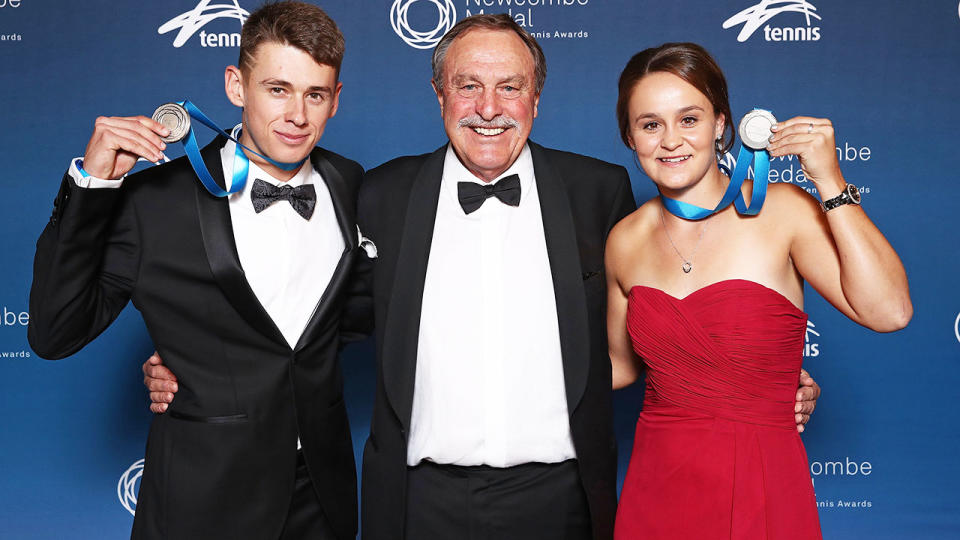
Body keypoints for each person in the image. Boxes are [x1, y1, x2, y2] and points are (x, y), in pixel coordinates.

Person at [145, 16, 822, 539]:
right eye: (468, 84)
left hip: (563, 501)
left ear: (537, 96)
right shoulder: (377, 193)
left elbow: (661, 307)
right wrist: (205, 358)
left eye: (510, 86)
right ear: (440, 93)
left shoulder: (599, 193)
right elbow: (314, 317)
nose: (489, 106)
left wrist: (757, 372)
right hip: (417, 504)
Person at [27, 3, 367, 539]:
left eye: (315, 94)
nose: (298, 115)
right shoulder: (153, 201)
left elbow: (348, 318)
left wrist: (213, 355)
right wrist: (92, 187)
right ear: (236, 85)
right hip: (203, 500)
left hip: (321, 498)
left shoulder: (350, 184)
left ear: (335, 100)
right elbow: (54, 332)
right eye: (277, 89)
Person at [606, 42, 911, 539]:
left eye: (689, 119)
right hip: (656, 486)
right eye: (650, 124)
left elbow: (890, 311)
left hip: (761, 482)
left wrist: (829, 180)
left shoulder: (783, 210)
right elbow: (616, 368)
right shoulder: (624, 239)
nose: (670, 141)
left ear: (721, 123)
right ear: (630, 136)